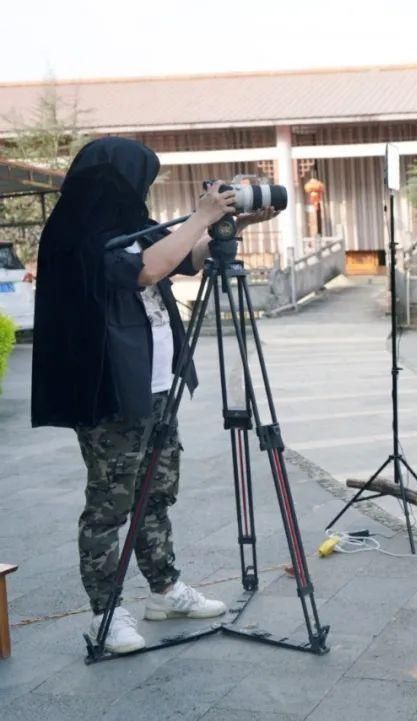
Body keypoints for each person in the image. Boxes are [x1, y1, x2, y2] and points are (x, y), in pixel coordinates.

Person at [31, 137, 276, 653]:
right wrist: (198, 217)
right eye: (141, 179)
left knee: (156, 494)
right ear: (115, 180)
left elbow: (185, 258)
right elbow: (145, 269)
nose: (143, 191)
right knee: (110, 504)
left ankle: (164, 590)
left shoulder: (125, 228)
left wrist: (233, 224)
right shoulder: (78, 234)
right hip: (110, 389)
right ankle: (107, 612)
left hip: (157, 384)